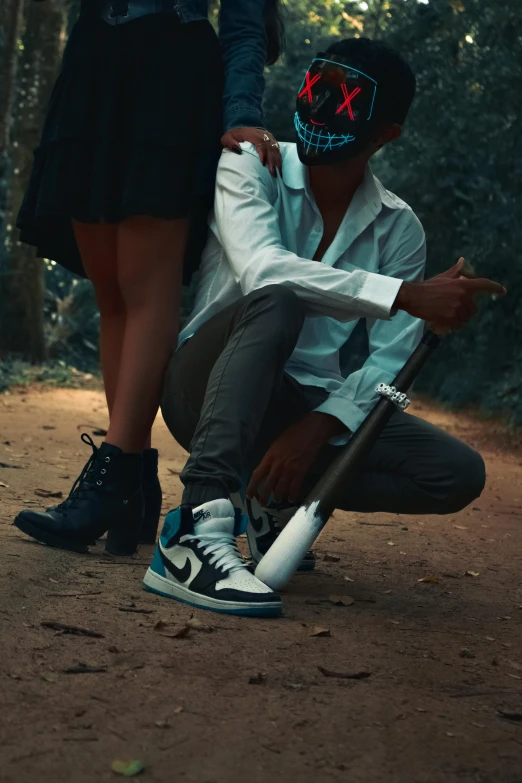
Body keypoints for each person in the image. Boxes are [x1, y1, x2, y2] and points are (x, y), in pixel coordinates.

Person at [140, 37, 505, 617]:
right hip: (204, 388)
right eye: (316, 90)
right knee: (279, 299)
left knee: (453, 474)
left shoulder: (398, 228)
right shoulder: (249, 162)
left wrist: (318, 426)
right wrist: (407, 296)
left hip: (299, 404)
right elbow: (263, 271)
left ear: (386, 133)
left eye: (345, 101)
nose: (318, 111)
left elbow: (388, 363)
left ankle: (266, 500)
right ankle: (193, 528)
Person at [14, 0, 284, 556]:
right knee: (109, 290)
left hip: (169, 75)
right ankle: (131, 488)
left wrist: (241, 113)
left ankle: (113, 479)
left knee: (145, 289)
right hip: (92, 67)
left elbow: (243, 22)